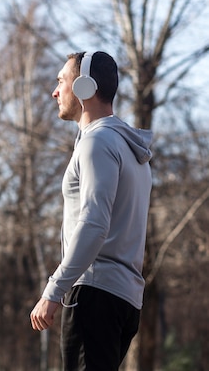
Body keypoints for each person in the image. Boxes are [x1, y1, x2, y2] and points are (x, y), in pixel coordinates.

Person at [30, 51, 153, 370]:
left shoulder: (97, 143)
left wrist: (54, 289)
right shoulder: (129, 148)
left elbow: (95, 223)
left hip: (94, 292)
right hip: (124, 299)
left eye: (61, 81)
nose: (55, 92)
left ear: (85, 87)